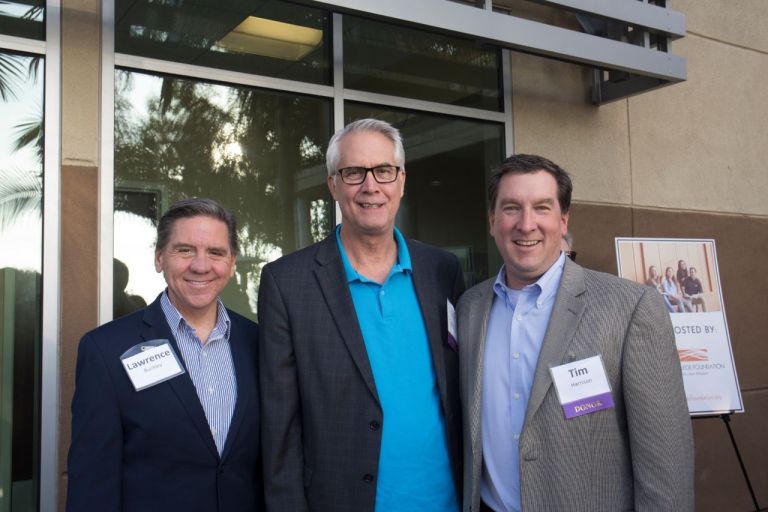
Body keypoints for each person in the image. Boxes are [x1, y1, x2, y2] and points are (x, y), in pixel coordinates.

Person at [457, 154, 694, 512]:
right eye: (510, 208)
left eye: (541, 207)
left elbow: (666, 463)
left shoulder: (631, 309)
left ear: (563, 220)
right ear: (492, 221)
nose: (526, 224)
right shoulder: (470, 308)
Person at [258, 118, 465, 512]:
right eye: (354, 172)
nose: (371, 186)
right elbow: (279, 430)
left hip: (446, 501)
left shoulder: (442, 270)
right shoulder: (287, 283)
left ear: (402, 181)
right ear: (333, 184)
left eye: (384, 171)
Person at [67, 198, 262, 512]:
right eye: (184, 250)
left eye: (216, 252)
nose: (201, 265)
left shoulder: (260, 344)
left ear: (232, 262)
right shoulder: (106, 350)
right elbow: (93, 481)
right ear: (159, 258)